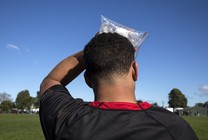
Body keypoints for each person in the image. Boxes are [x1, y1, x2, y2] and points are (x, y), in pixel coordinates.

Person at [39, 33, 198, 140]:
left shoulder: (67, 119)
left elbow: (51, 81)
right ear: (135, 70)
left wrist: (93, 51)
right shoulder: (175, 127)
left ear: (87, 79)